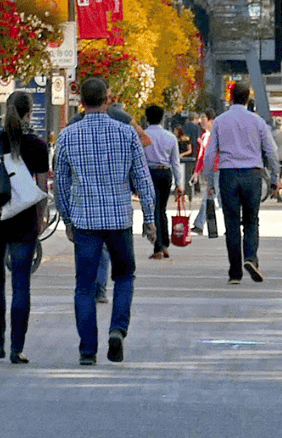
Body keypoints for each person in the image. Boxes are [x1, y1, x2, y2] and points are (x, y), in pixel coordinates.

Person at [54, 76, 156, 365]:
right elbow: (142, 179)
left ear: (82, 102)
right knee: (124, 277)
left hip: (85, 220)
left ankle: (88, 349)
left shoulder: (68, 135)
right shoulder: (126, 133)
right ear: (108, 99)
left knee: (84, 286)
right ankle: (117, 329)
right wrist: (150, 217)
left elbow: (60, 182)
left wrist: (67, 218)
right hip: (118, 219)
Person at [0, 90, 49, 364]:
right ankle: (16, 348)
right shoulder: (37, 145)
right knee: (21, 283)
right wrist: (41, 218)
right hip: (23, 218)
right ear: (30, 112)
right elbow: (42, 186)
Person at [203, 81, 279, 285]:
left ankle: (235, 272)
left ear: (230, 97)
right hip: (252, 174)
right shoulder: (258, 122)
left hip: (228, 174)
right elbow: (271, 152)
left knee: (232, 223)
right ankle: (251, 258)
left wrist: (209, 179)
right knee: (252, 221)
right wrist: (274, 177)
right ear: (248, 99)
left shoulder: (220, 121)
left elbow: (210, 153)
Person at [143, 104, 184, 259]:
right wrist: (179, 183)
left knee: (154, 210)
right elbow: (176, 163)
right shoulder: (170, 137)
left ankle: (158, 246)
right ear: (162, 118)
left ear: (147, 118)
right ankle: (164, 244)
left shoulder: (143, 136)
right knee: (162, 209)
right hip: (165, 174)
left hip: (149, 174)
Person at [191, 110, 216, 234]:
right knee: (209, 198)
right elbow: (202, 156)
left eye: (203, 117)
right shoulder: (205, 136)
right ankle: (199, 224)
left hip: (218, 170)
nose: (201, 121)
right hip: (212, 171)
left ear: (210, 120)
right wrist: (197, 172)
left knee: (212, 199)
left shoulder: (215, 134)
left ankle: (199, 224)